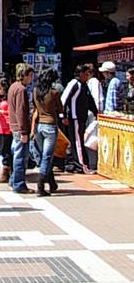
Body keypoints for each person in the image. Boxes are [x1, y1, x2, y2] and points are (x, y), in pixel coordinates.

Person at [31, 68, 64, 196]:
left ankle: (52, 182)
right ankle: (40, 184)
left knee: (44, 155)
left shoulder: (35, 92)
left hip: (39, 126)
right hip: (50, 125)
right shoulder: (54, 93)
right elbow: (60, 109)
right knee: (47, 157)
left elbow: (34, 108)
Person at [62, 64, 98, 174]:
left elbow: (90, 101)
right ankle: (82, 165)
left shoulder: (84, 85)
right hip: (75, 118)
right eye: (86, 74)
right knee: (78, 142)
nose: (88, 76)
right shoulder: (74, 84)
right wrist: (63, 116)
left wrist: (97, 113)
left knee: (77, 141)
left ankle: (73, 164)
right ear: (81, 73)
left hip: (82, 118)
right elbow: (64, 100)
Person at [8, 62, 34, 194]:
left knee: (17, 154)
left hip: (14, 126)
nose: (31, 78)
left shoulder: (13, 87)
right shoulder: (21, 90)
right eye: (30, 75)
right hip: (20, 128)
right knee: (21, 156)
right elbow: (21, 111)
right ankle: (18, 183)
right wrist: (24, 130)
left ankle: (14, 180)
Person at [0, 76, 12, 167]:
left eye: (0, 88)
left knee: (7, 152)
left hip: (7, 129)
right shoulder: (1, 100)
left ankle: (8, 171)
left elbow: (11, 113)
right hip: (1, 129)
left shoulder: (9, 100)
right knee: (3, 151)